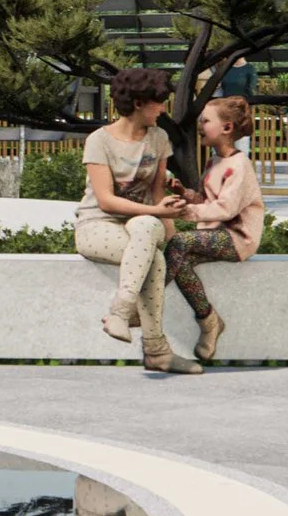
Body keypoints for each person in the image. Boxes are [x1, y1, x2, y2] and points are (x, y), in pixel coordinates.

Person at [74, 66, 200, 376]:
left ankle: (121, 310)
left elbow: (156, 193)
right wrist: (159, 214)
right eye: (158, 102)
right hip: (96, 224)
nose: (162, 109)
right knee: (153, 259)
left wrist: (169, 219)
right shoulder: (98, 140)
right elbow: (105, 200)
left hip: (142, 224)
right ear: (139, 103)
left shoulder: (158, 138)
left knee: (147, 228)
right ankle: (156, 352)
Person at [164, 96, 263, 363]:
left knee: (178, 243)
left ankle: (147, 301)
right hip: (215, 235)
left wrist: (186, 212)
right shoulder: (214, 161)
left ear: (227, 128)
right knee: (180, 262)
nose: (199, 125)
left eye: (205, 121)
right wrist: (185, 195)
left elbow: (225, 209)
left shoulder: (239, 165)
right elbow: (208, 200)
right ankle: (209, 321)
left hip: (237, 237)